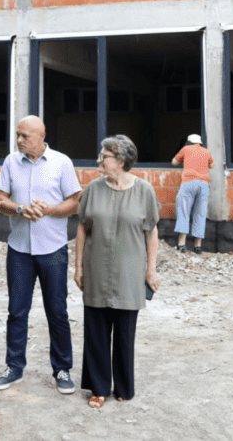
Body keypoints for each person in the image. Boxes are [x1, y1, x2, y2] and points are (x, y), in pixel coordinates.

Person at [0, 116, 82, 395]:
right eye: (18, 135)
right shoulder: (10, 162)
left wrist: (49, 210)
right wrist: (19, 209)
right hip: (19, 249)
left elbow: (75, 202)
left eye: (25, 136)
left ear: (42, 136)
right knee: (17, 311)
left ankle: (62, 369)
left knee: (57, 311)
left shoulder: (62, 162)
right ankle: (14, 367)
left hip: (53, 248)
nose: (19, 140)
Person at [74, 134, 161, 409]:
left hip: (129, 272)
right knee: (96, 331)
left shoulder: (145, 191)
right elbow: (82, 228)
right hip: (96, 269)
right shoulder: (93, 189)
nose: (99, 160)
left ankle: (123, 386)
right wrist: (77, 266)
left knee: (125, 332)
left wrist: (151, 270)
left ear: (121, 160)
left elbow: (151, 232)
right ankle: (99, 388)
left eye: (105, 156)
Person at [171, 133, 213, 254]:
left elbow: (174, 162)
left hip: (189, 183)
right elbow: (212, 165)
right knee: (200, 213)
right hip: (203, 185)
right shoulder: (206, 151)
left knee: (184, 211)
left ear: (189, 142)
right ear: (200, 143)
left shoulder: (185, 149)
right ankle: (197, 246)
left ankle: (181, 245)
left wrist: (185, 159)